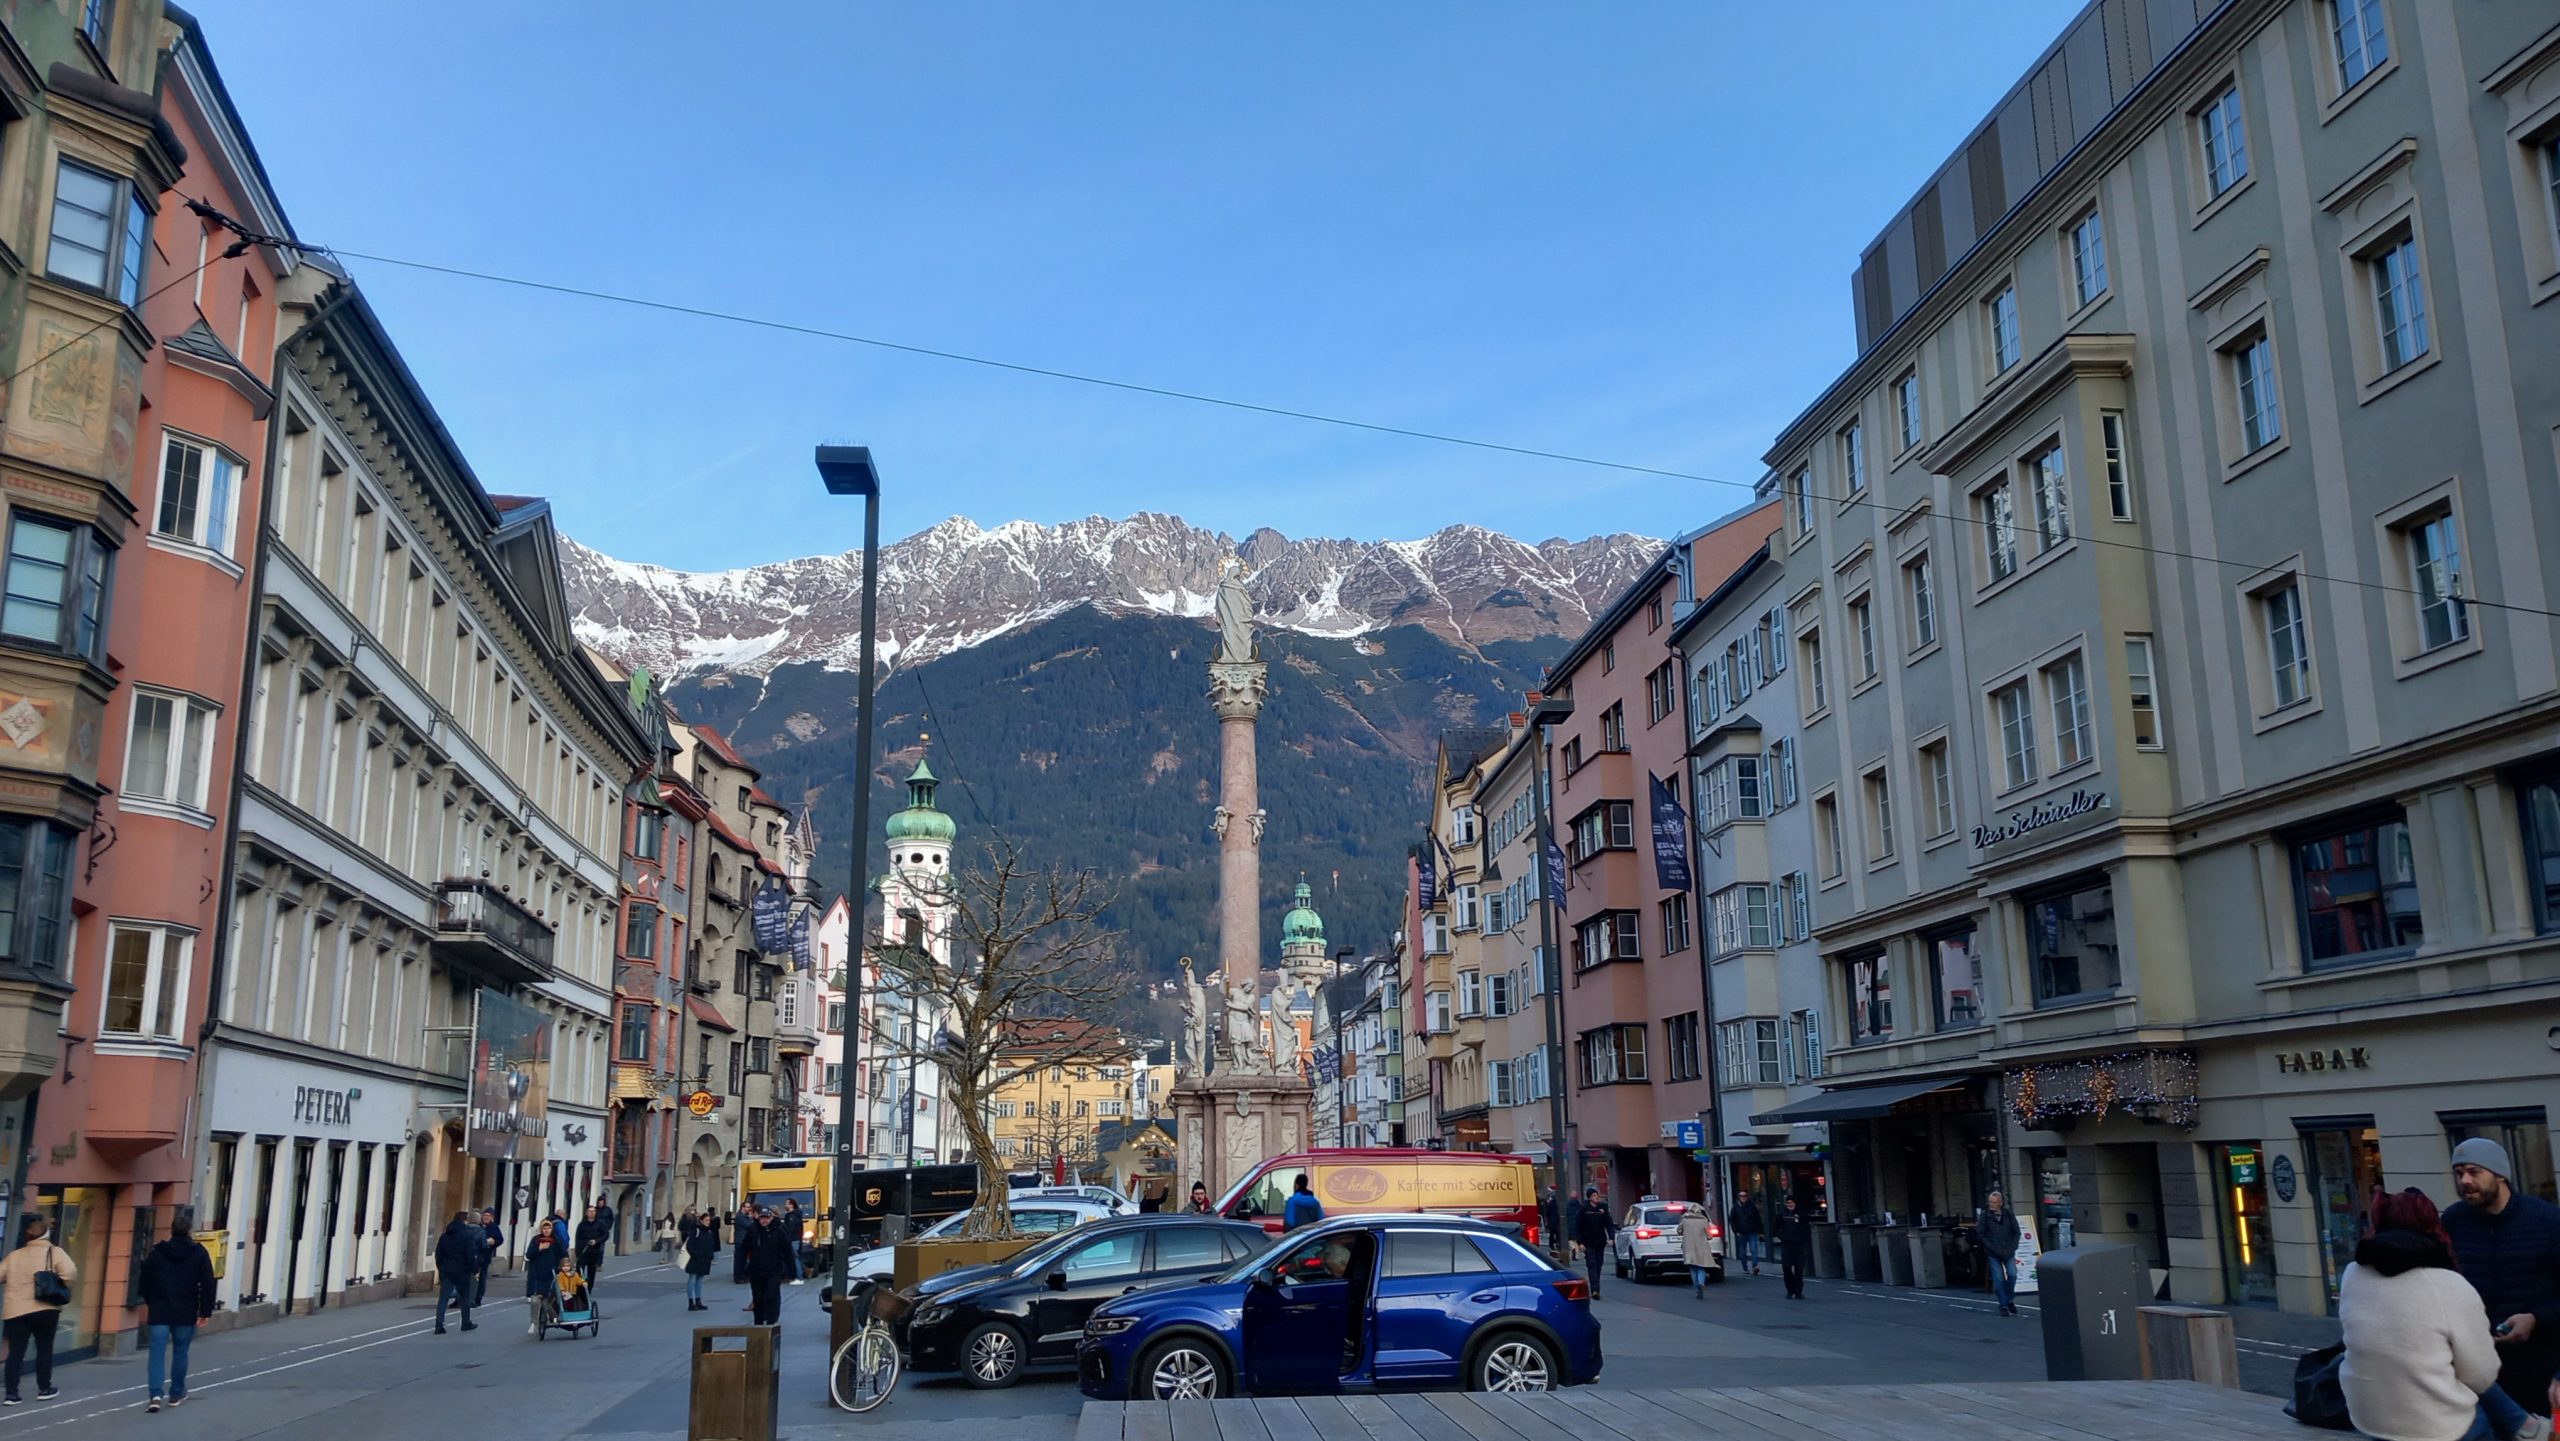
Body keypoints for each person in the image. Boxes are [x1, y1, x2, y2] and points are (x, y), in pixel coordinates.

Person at [2343, 1188, 2551, 1441]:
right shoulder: (2447, 1284)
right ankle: (2525, 1426)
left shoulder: (2352, 1274)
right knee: (2471, 1390)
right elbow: (2481, 1376)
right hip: (2436, 1426)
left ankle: (2523, 1424)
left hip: (2368, 1414)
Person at [2445, 1138, 2560, 1420]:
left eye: (2474, 1172)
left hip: (2541, 1370)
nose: (2465, 1181)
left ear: (2500, 1174)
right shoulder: (2453, 1221)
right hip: (2477, 1372)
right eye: (2459, 1173)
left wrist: (2536, 1318)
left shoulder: (2547, 1220)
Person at [137, 1209, 217, 1413]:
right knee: (181, 1350)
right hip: (186, 1309)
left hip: (160, 1309)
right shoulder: (199, 1253)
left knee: (157, 1352)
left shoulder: (157, 1253)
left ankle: (155, 1394)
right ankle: (176, 1392)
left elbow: (144, 1280)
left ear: (171, 1230)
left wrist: (151, 1301)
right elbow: (208, 1283)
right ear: (189, 1231)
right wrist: (205, 1311)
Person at [2, 1214, 77, 1404]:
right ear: (46, 1234)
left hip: (16, 1310)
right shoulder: (55, 1252)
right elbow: (70, 1273)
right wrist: (60, 1282)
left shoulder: (14, 1256)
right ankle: (44, 1389)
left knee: (15, 1351)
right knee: (44, 1348)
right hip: (46, 1307)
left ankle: (11, 1394)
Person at [433, 1209, 483, 1335]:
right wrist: (475, 1270)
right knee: (464, 1297)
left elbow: (438, 1255)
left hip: (446, 1270)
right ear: (465, 1221)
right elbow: (470, 1255)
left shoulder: (444, 1236)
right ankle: (465, 1322)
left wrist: (441, 1268)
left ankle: (439, 1325)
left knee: (443, 1297)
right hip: (461, 1270)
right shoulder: (466, 1236)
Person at [1977, 1190, 2024, 1317]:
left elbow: (2016, 1232)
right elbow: (1980, 1235)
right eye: (1990, 1202)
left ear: (2000, 1203)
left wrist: (2013, 1247)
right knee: (1998, 1280)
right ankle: (2003, 1304)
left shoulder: (2008, 1214)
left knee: (2013, 1275)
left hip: (2008, 1251)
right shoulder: (1985, 1216)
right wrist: (1991, 1247)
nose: (1992, 1205)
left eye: (1994, 1202)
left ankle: (2009, 1299)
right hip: (1993, 1252)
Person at [745, 1208, 792, 1326]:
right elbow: (743, 1249)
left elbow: (788, 1250)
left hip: (774, 1270)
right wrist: (741, 1268)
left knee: (771, 1296)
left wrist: (791, 1270)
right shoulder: (753, 1230)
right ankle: (758, 1322)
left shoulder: (779, 1230)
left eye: (766, 1218)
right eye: (762, 1218)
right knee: (757, 1298)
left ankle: (771, 1321)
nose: (764, 1220)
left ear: (771, 1218)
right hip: (756, 1270)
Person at [524, 1226, 565, 1334]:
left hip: (551, 1275)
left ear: (552, 1229)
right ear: (541, 1229)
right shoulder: (536, 1240)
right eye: (544, 1228)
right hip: (537, 1274)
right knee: (535, 1300)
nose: (546, 1230)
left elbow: (563, 1256)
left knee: (547, 1302)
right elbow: (529, 1255)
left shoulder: (557, 1240)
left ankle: (553, 1317)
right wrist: (539, 1249)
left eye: (549, 1228)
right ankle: (534, 1323)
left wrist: (563, 1268)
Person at [1574, 1186, 1611, 1299]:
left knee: (1599, 1265)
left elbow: (1609, 1223)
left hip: (1600, 1241)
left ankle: (1596, 1286)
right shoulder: (1584, 1209)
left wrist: (1611, 1237)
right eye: (1594, 1195)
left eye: (1597, 1195)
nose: (1596, 1197)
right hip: (1588, 1242)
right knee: (1592, 1265)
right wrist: (1580, 1242)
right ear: (1589, 1197)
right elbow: (1577, 1226)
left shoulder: (1602, 1209)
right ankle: (1595, 1290)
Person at [1774, 1194, 1813, 1301]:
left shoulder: (1801, 1214)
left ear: (1795, 1203)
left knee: (1799, 1270)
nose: (1790, 1204)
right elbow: (1776, 1229)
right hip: (1787, 1246)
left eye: (1791, 1203)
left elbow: (1806, 1229)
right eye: (1788, 1203)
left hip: (1799, 1246)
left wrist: (1802, 1239)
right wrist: (1783, 1237)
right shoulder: (1781, 1214)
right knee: (1786, 1268)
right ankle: (1790, 1290)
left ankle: (1799, 1292)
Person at [1679, 1204, 1720, 1298]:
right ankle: (1701, 1283)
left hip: (1689, 1247)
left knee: (1693, 1269)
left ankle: (1697, 1290)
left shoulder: (1684, 1220)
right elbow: (1709, 1236)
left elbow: (1679, 1231)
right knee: (1701, 1267)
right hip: (1702, 1247)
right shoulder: (1703, 1220)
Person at [683, 1211, 720, 1311]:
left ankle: (698, 1301)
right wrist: (696, 1254)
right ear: (701, 1221)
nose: (708, 1222)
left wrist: (711, 1255)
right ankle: (691, 1302)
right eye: (706, 1220)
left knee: (700, 1279)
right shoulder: (696, 1231)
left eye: (709, 1220)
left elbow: (711, 1245)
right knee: (692, 1278)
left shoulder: (709, 1232)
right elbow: (689, 1245)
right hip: (696, 1259)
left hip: (705, 1259)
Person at [574, 1204, 610, 1293]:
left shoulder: (600, 1223)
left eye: (594, 1211)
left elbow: (605, 1235)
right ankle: (580, 1290)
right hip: (583, 1251)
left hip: (594, 1251)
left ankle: (588, 1290)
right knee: (579, 1271)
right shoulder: (582, 1224)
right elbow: (578, 1238)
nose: (592, 1213)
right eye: (590, 1211)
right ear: (586, 1213)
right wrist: (577, 1251)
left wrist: (596, 1241)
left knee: (591, 1272)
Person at [1729, 1192, 1765, 1277]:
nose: (1743, 1197)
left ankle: (1755, 1266)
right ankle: (1745, 1267)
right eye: (1741, 1196)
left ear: (1747, 1197)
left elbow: (1758, 1219)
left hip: (1752, 1232)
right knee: (1743, 1252)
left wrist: (1760, 1231)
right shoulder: (1735, 1208)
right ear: (1739, 1197)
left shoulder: (1752, 1207)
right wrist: (1736, 1231)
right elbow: (1732, 1220)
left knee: (1754, 1250)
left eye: (1745, 1196)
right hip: (1741, 1233)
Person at [476, 1207, 506, 1308]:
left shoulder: (493, 1227)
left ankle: (478, 1298)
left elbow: (500, 1239)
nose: (486, 1217)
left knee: (482, 1278)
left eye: (488, 1216)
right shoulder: (478, 1226)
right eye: (485, 1215)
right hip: (475, 1255)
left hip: (485, 1256)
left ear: (491, 1217)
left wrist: (493, 1242)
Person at [780, 1199, 808, 1285]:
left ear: (791, 1205)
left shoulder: (792, 1216)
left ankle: (799, 1277)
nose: (785, 1205)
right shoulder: (796, 1215)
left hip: (793, 1239)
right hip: (796, 1239)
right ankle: (803, 1273)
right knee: (796, 1257)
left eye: (786, 1204)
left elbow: (790, 1229)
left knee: (795, 1258)